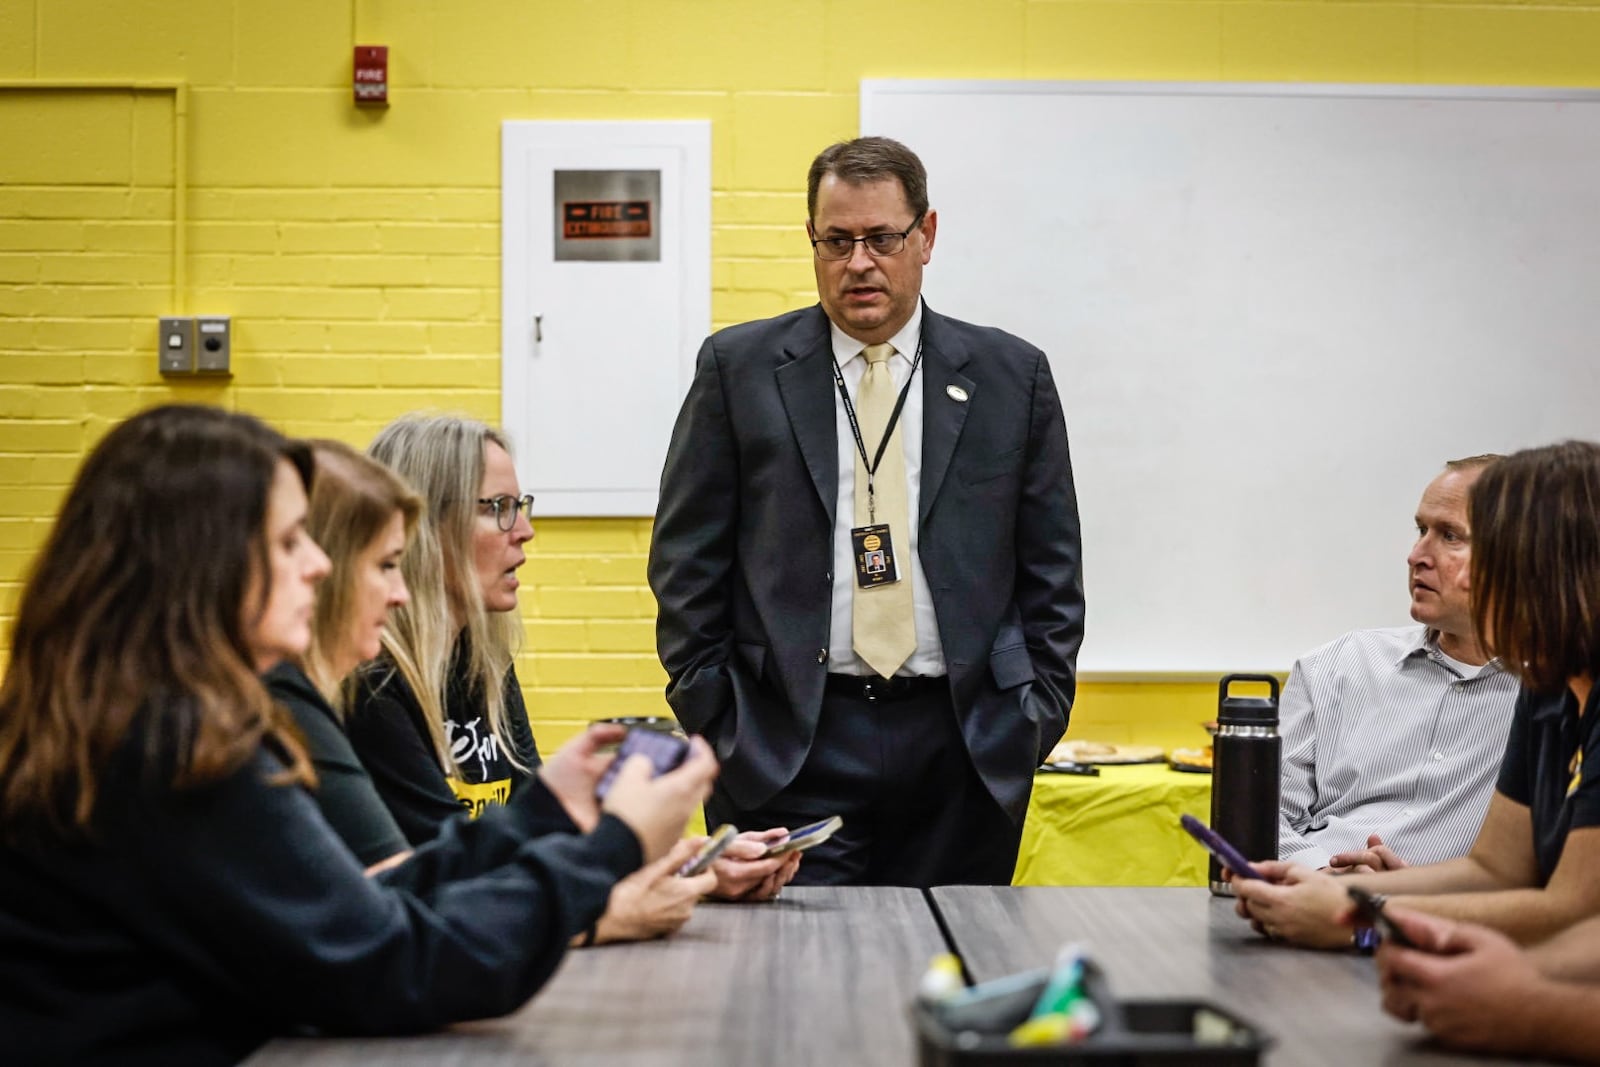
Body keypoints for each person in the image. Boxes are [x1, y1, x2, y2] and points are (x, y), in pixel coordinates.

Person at [0, 404, 715, 1066]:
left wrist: (548, 811)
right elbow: (394, 964)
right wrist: (610, 850)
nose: (317, 563)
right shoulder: (174, 745)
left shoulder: (142, 718)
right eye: (288, 542)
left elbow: (361, 905)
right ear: (203, 563)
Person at [648, 136, 1085, 887]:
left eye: (882, 238)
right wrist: (723, 724)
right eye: (836, 241)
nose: (859, 263)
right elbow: (685, 564)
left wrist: (1029, 718)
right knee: (798, 986)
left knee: (950, 974)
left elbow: (1053, 573)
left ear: (926, 236)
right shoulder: (738, 370)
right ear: (812, 240)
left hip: (965, 747)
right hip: (789, 747)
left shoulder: (1013, 379)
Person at [352, 414, 797, 930]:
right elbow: (459, 886)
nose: (525, 531)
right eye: (498, 509)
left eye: (519, 507)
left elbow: (532, 840)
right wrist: (611, 914)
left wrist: (689, 863)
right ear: (423, 528)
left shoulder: (482, 663)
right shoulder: (372, 681)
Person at [1234, 440, 1600, 951]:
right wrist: (1350, 898)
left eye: (1458, 539)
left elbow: (1576, 912)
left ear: (1566, 566)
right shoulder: (1548, 689)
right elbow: (1493, 870)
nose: (1419, 557)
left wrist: (1362, 918)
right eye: (1422, 531)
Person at [1277, 456, 1518, 873]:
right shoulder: (1338, 665)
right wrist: (1319, 873)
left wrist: (1408, 894)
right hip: (1303, 898)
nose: (1416, 556)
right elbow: (1257, 812)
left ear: (1518, 557)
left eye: (1450, 536)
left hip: (1451, 921)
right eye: (1421, 530)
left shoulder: (1559, 695)